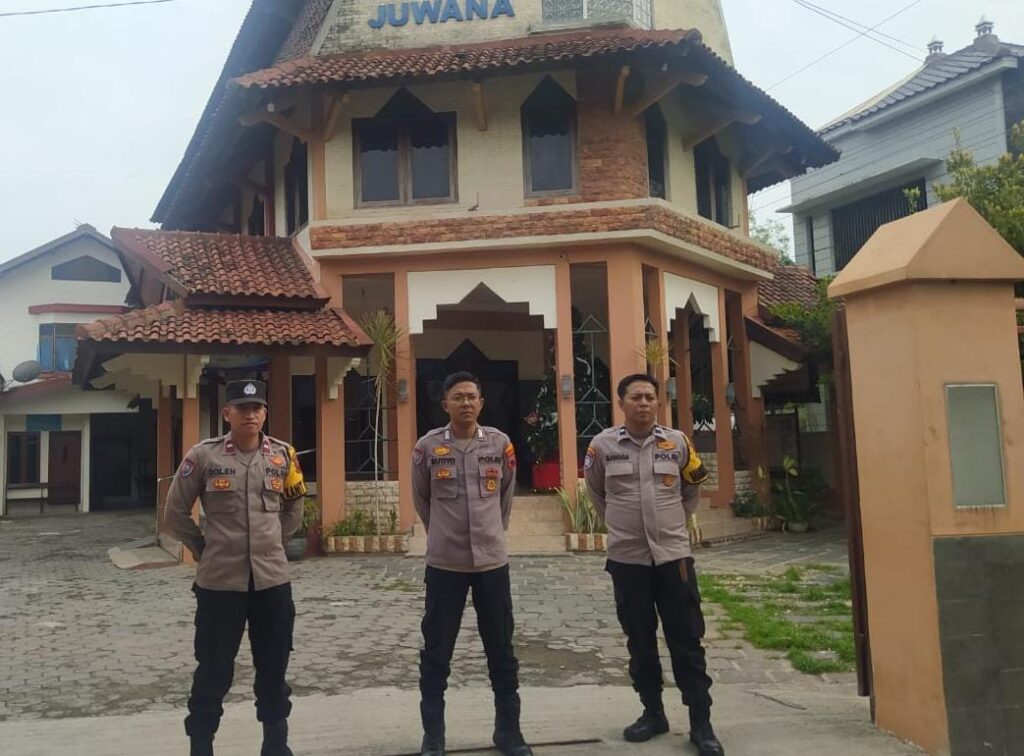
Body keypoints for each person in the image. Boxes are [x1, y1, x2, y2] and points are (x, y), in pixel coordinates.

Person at [164, 379, 307, 756]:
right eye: (242, 408)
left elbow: (295, 507)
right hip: (220, 585)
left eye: (257, 407)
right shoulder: (204, 456)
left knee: (274, 670)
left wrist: (274, 542)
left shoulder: (284, 456)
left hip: (272, 583)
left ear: (265, 412)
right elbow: (175, 513)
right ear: (227, 413)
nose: (251, 414)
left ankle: (276, 744)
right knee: (213, 670)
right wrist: (203, 548)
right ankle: (201, 745)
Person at [583, 373, 724, 756]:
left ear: (657, 403)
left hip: (673, 559)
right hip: (628, 560)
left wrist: (674, 522)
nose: (644, 403)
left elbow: (692, 487)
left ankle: (701, 723)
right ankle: (652, 712)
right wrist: (620, 523)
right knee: (640, 640)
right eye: (636, 397)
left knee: (687, 640)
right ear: (621, 403)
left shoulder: (676, 442)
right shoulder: (602, 446)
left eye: (650, 397)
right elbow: (595, 492)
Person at [411, 371, 533, 756]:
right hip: (446, 565)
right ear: (444, 403)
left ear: (482, 402)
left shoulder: (500, 444)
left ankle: (509, 732)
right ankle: (434, 736)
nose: (466, 403)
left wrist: (490, 532)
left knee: (501, 650)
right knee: (436, 653)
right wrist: (443, 535)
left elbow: (506, 498)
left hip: (491, 565)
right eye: (457, 397)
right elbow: (422, 499)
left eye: (472, 397)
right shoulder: (428, 447)